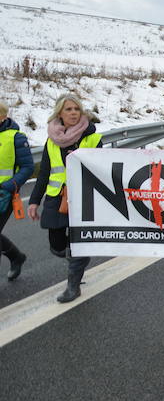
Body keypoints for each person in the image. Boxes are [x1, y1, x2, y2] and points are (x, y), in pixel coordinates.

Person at [28, 94, 102, 302]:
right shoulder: (51, 141)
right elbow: (44, 173)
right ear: (59, 113)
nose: (73, 113)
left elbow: (102, 169)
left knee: (78, 243)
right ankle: (78, 256)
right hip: (55, 197)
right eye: (68, 109)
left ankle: (73, 284)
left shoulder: (92, 138)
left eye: (76, 109)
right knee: (57, 245)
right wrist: (34, 201)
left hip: (83, 197)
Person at [0, 102, 32, 280]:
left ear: (3, 116)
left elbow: (27, 167)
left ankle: (16, 257)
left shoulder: (16, 137)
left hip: (3, 194)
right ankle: (16, 257)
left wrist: (10, 185)